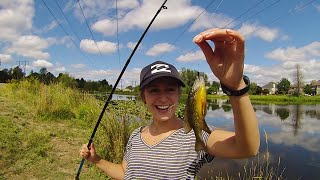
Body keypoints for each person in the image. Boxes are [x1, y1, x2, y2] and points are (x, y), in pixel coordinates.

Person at [80, 28, 260, 179]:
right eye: (154, 90)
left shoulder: (195, 135)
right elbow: (126, 173)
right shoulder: (135, 136)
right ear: (144, 97)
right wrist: (97, 160)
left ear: (180, 95)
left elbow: (247, 147)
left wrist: (236, 87)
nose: (163, 97)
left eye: (170, 89)